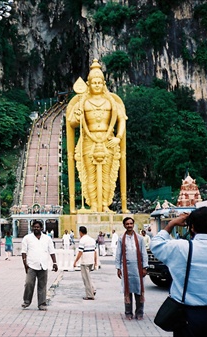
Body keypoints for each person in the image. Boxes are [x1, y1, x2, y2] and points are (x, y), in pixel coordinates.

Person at [150, 207, 207, 337]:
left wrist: (172, 223)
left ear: (191, 227)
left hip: (188, 316)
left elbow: (156, 243)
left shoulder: (180, 247)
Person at [66, 59, 128, 213]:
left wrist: (118, 138)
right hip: (89, 140)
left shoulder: (111, 101)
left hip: (108, 140)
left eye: (99, 82)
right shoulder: (83, 101)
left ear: (104, 83)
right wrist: (78, 115)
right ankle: (93, 204)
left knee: (108, 175)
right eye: (94, 82)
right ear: (89, 84)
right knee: (90, 174)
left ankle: (105, 204)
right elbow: (72, 122)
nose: (97, 85)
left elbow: (122, 120)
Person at [115, 217, 148, 320]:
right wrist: (118, 268)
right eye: (127, 224)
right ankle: (128, 313)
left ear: (133, 224)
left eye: (131, 223)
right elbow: (118, 254)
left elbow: (144, 253)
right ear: (124, 225)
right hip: (126, 269)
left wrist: (144, 267)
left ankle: (139, 313)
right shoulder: (121, 238)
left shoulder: (140, 238)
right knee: (127, 291)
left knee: (138, 291)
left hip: (138, 268)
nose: (129, 225)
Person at [21, 220, 58, 311]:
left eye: (38, 227)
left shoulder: (47, 238)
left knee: (42, 285)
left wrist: (55, 263)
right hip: (31, 265)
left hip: (43, 265)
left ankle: (42, 304)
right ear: (32, 228)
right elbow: (24, 252)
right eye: (34, 227)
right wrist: (25, 264)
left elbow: (52, 251)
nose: (36, 228)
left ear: (42, 228)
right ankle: (26, 301)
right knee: (29, 283)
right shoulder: (27, 238)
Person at [73, 226, 98, 300]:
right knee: (88, 277)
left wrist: (75, 261)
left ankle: (90, 295)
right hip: (91, 261)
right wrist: (95, 262)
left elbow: (80, 252)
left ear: (80, 232)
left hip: (85, 261)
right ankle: (93, 289)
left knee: (86, 279)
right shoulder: (92, 240)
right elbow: (95, 252)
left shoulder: (82, 240)